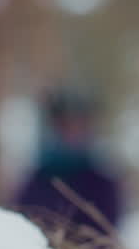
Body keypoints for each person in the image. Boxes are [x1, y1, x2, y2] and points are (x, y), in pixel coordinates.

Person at [12, 90, 124, 237]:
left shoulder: (102, 184)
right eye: (64, 125)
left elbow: (106, 235)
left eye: (78, 125)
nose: (71, 132)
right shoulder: (37, 180)